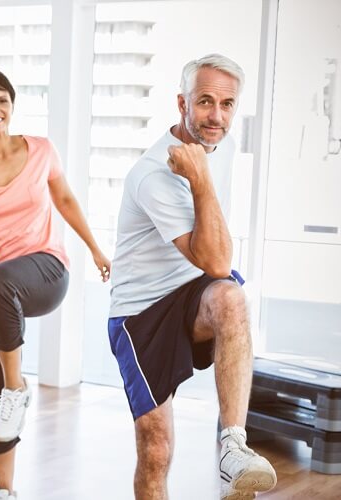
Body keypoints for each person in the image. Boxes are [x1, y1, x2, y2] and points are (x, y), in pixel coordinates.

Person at [0, 70, 111, 500]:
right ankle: (5, 490)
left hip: (46, 270)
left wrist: (95, 249)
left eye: (1, 101)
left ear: (12, 107)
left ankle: (19, 387)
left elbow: (65, 199)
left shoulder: (41, 150)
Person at [106, 54, 276, 500]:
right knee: (156, 448)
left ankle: (232, 447)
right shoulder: (151, 174)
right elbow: (216, 260)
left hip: (191, 289)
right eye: (204, 101)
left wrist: (205, 175)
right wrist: (200, 179)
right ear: (181, 103)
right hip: (141, 312)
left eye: (226, 103)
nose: (216, 115)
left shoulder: (226, 144)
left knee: (232, 298)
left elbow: (216, 265)